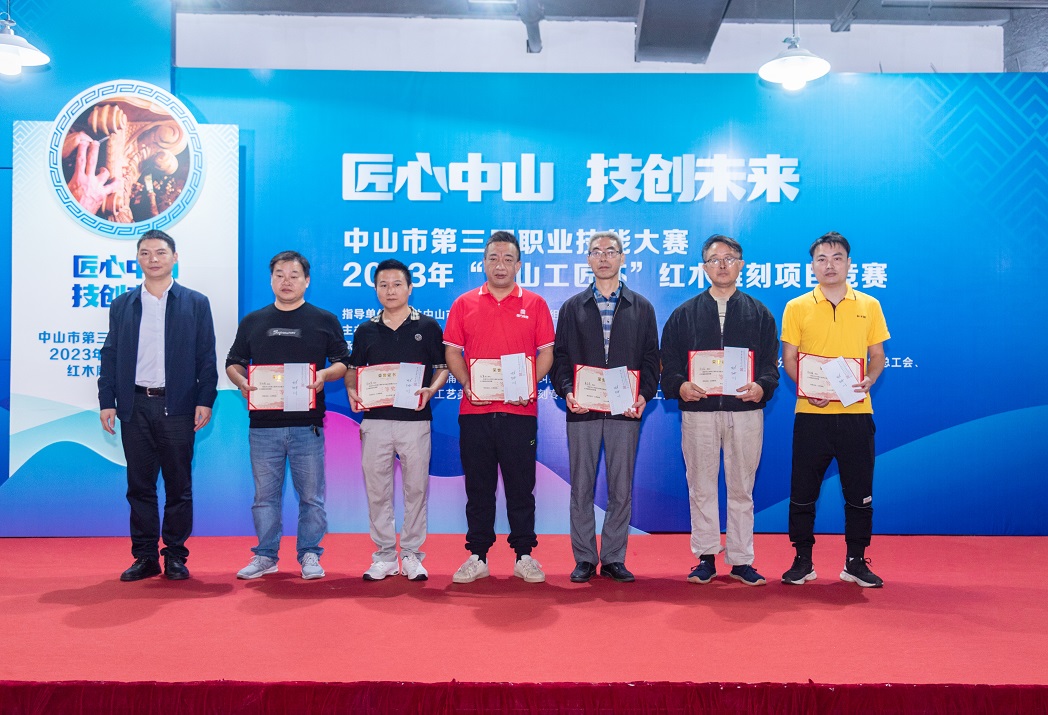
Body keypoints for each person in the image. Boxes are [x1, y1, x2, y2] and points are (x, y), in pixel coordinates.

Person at [98, 229, 217, 582]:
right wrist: (107, 401)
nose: (153, 259)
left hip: (178, 407)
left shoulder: (195, 303)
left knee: (179, 487)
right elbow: (110, 354)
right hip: (134, 405)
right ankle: (145, 556)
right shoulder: (123, 304)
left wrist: (205, 400)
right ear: (138, 259)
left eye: (161, 252)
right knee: (139, 486)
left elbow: (206, 357)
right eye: (145, 253)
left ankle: (176, 556)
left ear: (174, 258)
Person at [660, 235, 780, 587]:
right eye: (714, 259)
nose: (722, 264)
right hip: (700, 411)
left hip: (745, 411)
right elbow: (669, 363)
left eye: (729, 258)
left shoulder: (759, 313)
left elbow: (770, 365)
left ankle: (741, 560)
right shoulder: (684, 314)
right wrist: (681, 386)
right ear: (704, 267)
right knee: (701, 485)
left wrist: (762, 386)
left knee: (742, 487)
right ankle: (706, 557)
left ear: (741, 265)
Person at [226, 250, 349, 581]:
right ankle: (265, 556)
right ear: (271, 280)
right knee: (264, 498)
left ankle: (310, 553)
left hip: (307, 426)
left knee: (311, 498)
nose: (286, 281)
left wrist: (324, 376)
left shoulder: (324, 320)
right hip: (263, 427)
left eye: (294, 275)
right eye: (279, 275)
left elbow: (343, 362)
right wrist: (241, 382)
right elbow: (233, 362)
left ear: (306, 281)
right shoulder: (253, 321)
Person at [443, 231, 556, 584]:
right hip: (474, 412)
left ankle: (524, 555)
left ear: (519, 265)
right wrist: (467, 383)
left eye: (508, 259)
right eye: (493, 258)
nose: (500, 265)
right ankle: (478, 555)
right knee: (478, 488)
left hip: (520, 412)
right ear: (484, 263)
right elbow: (452, 352)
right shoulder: (464, 303)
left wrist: (529, 384)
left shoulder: (535, 304)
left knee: (521, 487)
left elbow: (547, 353)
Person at [780, 231, 889, 588]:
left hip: (857, 413)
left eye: (837, 258)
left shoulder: (869, 305)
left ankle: (855, 561)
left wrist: (870, 378)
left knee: (859, 492)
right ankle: (802, 560)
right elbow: (789, 358)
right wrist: (807, 388)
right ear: (812, 266)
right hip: (811, 415)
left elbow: (877, 356)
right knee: (803, 492)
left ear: (849, 263)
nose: (830, 265)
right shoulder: (796, 306)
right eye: (822, 259)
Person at [550, 231, 659, 583]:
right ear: (588, 260)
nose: (603, 257)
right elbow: (560, 358)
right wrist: (568, 391)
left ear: (622, 258)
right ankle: (584, 557)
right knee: (581, 487)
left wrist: (643, 395)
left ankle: (613, 558)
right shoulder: (572, 307)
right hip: (582, 410)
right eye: (596, 252)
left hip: (625, 411)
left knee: (620, 488)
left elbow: (651, 359)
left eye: (610, 251)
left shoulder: (642, 307)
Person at [346, 259, 449, 582]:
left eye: (397, 284)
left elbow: (442, 368)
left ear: (409, 288)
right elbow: (353, 369)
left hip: (415, 421)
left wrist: (430, 390)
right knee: (378, 490)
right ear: (376, 289)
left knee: (416, 490)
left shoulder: (428, 327)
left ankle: (412, 555)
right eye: (383, 285)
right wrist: (352, 390)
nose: (390, 291)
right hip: (375, 421)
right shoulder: (365, 330)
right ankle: (385, 556)